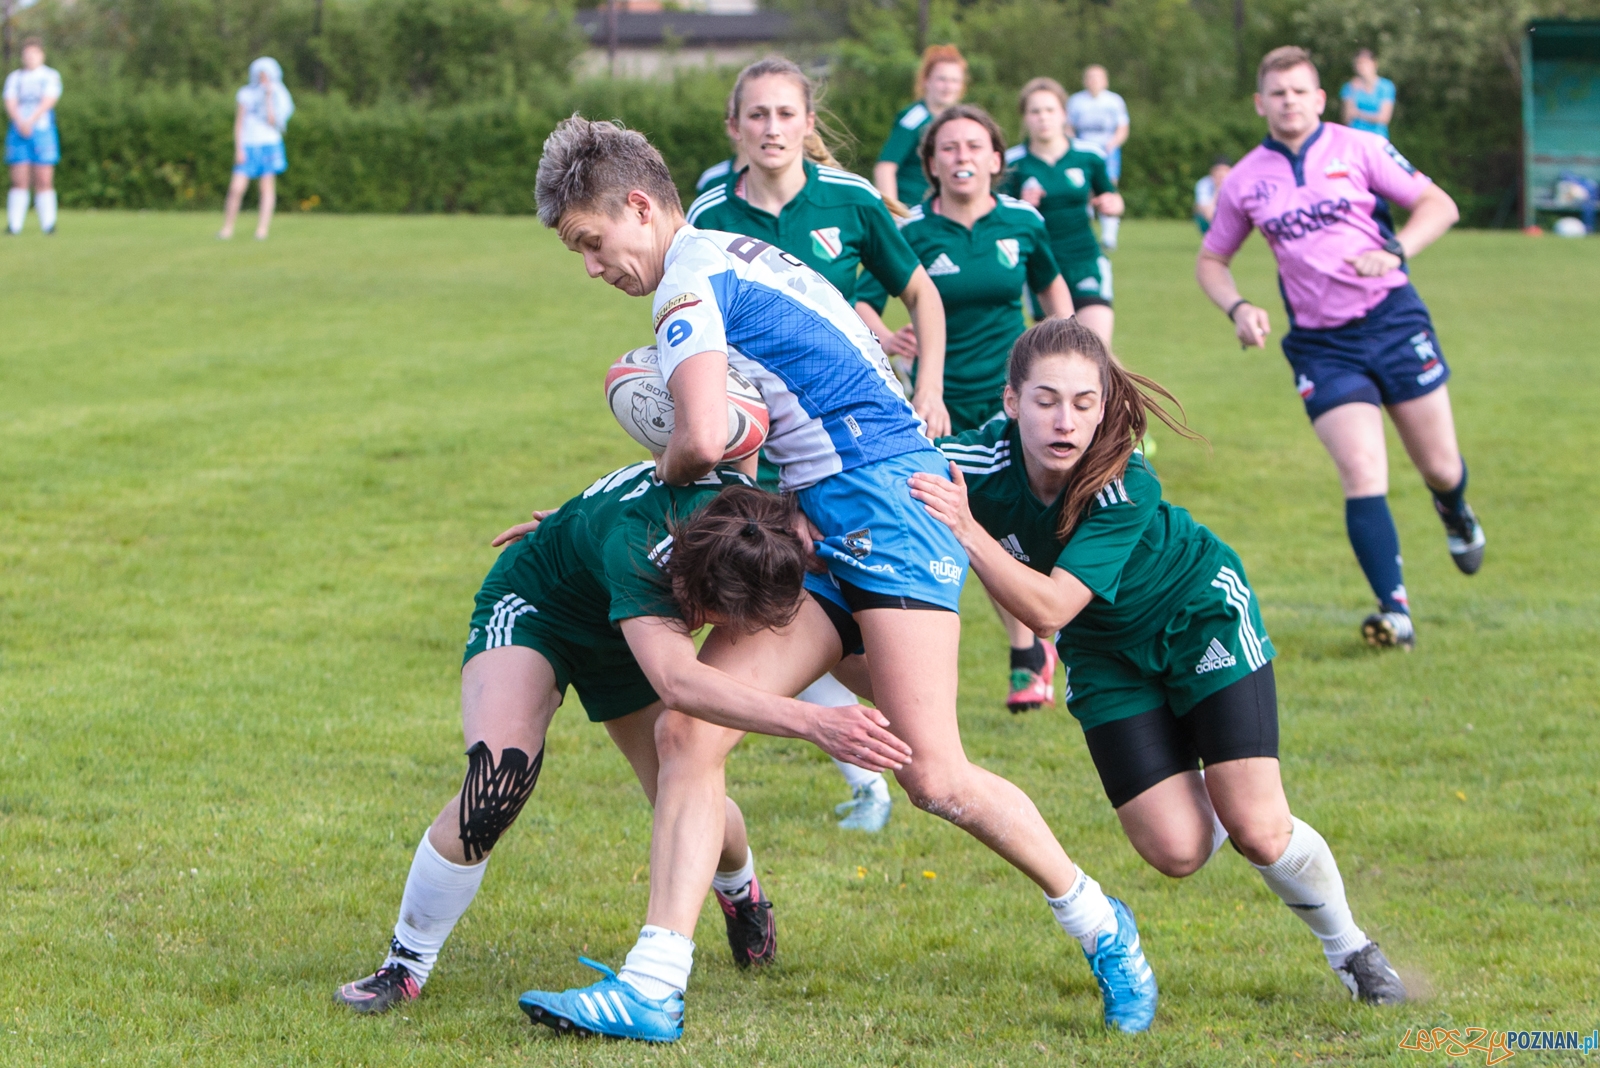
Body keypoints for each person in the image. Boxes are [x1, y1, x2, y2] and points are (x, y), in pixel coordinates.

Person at [519, 115, 1159, 1042]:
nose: (592, 266)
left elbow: (702, 437)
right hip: (825, 518)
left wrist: (652, 474)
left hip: (889, 515)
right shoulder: (721, 245)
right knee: (689, 731)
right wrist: (602, 513)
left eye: (591, 242)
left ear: (636, 205)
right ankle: (653, 984)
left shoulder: (688, 282)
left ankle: (1105, 928)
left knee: (936, 777)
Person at [907, 316, 1409, 1005]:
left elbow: (1048, 612)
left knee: (1259, 831)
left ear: (1105, 407)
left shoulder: (1124, 480)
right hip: (1106, 655)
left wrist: (964, 530)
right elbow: (887, 468)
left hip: (1198, 617)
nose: (1065, 421)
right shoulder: (973, 465)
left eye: (1085, 403)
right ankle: (1231, 790)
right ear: (1010, 402)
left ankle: (1352, 950)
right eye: (1046, 400)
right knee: (1177, 853)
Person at [334, 464, 912, 1018]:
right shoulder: (639, 550)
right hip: (543, 608)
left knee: (684, 801)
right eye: (706, 612)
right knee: (497, 781)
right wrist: (812, 722)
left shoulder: (762, 520)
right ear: (686, 571)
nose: (706, 623)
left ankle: (741, 890)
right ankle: (404, 964)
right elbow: (679, 681)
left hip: (631, 634)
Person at [685, 56, 951, 830]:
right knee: (772, 608)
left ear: (808, 123)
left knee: (822, 619)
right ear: (734, 127)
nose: (772, 128)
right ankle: (879, 754)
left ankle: (906, 738)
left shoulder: (851, 201)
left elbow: (918, 291)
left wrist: (927, 386)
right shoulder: (707, 216)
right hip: (757, 453)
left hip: (856, 449)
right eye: (757, 115)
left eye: (785, 114)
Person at [1196, 47, 1484, 651]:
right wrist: (1239, 307)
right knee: (1361, 470)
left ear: (1321, 98)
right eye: (1277, 93)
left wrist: (1397, 248)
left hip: (1393, 319)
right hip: (1322, 346)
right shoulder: (1247, 179)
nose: (1289, 101)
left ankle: (1454, 509)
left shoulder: (1361, 148)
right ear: (1260, 103)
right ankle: (1395, 610)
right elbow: (1212, 259)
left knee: (1439, 466)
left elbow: (1439, 204)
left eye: (1300, 91)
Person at [856, 103, 1074, 713]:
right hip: (942, 409)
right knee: (974, 530)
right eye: (948, 148)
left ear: (997, 160)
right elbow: (863, 300)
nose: (962, 158)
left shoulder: (1023, 223)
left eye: (974, 147)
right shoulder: (913, 229)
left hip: (1019, 403)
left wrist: (1071, 349)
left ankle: (1039, 642)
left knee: (1022, 526)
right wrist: (888, 335)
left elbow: (1052, 289)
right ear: (929, 163)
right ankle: (1028, 652)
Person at [1002, 77, 1123, 347]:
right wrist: (1021, 205)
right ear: (1025, 117)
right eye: (1035, 111)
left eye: (1050, 110)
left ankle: (1118, 391)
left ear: (1064, 115)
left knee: (1096, 351)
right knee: (1061, 353)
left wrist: (1113, 205)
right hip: (1042, 268)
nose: (1043, 118)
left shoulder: (1089, 156)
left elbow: (1111, 197)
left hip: (1085, 259)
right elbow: (999, 217)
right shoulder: (1013, 163)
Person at [873, 44, 966, 208]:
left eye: (954, 81)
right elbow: (885, 168)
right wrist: (895, 216)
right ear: (926, 81)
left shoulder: (961, 121)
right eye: (941, 79)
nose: (948, 87)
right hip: (913, 209)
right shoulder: (914, 119)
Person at [219, 57, 294, 241]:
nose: (263, 78)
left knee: (266, 188)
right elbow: (239, 123)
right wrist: (239, 148)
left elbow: (273, 121)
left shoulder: (278, 94)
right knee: (236, 188)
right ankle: (227, 228)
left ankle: (262, 229)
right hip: (248, 144)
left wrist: (268, 97)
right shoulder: (245, 93)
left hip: (269, 144)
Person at [1066, 65, 1129, 250]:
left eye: (1098, 77)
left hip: (1107, 151)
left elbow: (1122, 128)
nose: (1093, 81)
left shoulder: (1114, 101)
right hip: (1083, 150)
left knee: (1108, 189)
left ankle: (1109, 237)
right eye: (1090, 77)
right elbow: (1068, 127)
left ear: (1105, 80)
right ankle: (1084, 231)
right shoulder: (1076, 101)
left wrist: (1113, 144)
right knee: (1083, 189)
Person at [4, 38, 62, 236]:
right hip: (19, 131)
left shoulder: (50, 76)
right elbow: (10, 102)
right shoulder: (15, 78)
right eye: (26, 54)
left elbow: (49, 100)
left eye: (34, 54)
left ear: (41, 55)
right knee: (19, 179)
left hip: (42, 131)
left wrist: (31, 121)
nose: (30, 58)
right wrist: (21, 121)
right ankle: (14, 225)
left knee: (44, 179)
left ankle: (48, 224)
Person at [1341, 50, 1396, 140]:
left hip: (1377, 138)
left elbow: (1384, 118)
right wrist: (1353, 92)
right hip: (1355, 138)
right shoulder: (1349, 87)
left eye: (1365, 63)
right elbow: (1346, 118)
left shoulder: (1386, 86)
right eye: (1358, 63)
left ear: (1374, 64)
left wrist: (1358, 113)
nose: (1361, 67)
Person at [1193, 155, 1231, 234]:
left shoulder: (1236, 186)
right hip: (1210, 222)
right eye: (1218, 170)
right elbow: (1208, 214)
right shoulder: (1204, 184)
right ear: (1212, 171)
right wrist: (1218, 189)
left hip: (1230, 221)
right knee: (1199, 209)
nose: (1221, 174)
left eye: (1225, 170)